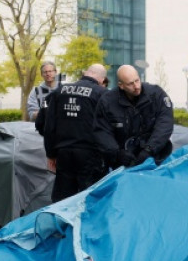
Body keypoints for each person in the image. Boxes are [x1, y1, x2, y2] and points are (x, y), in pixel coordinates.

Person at [43, 64, 108, 201]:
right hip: (90, 154)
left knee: (63, 199)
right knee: (89, 198)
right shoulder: (102, 94)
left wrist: (50, 153)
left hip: (64, 153)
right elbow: (107, 127)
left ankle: (62, 216)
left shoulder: (60, 91)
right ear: (102, 79)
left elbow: (49, 125)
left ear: (85, 72)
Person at [93, 65, 174, 169]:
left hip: (156, 158)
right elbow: (102, 132)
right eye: (130, 84)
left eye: (137, 80)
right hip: (123, 162)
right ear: (121, 85)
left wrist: (149, 149)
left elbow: (165, 123)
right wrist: (117, 153)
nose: (136, 86)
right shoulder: (107, 102)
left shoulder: (156, 95)